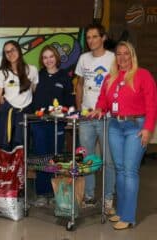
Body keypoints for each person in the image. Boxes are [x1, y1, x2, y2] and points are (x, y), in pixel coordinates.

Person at [90, 41, 157, 230]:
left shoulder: (143, 75)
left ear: (132, 55)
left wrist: (148, 128)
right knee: (119, 169)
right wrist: (99, 109)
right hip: (115, 126)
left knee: (130, 171)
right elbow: (103, 98)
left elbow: (152, 104)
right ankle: (120, 211)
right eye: (118, 54)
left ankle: (128, 217)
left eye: (126, 53)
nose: (122, 57)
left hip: (136, 127)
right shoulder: (111, 77)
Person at [75, 23, 115, 213]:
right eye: (88, 37)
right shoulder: (83, 58)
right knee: (87, 160)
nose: (91, 41)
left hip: (107, 118)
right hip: (86, 117)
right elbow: (80, 85)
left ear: (103, 38)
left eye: (94, 37)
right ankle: (89, 196)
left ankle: (108, 198)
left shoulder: (113, 59)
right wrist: (78, 110)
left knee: (108, 160)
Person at [31, 45, 74, 206]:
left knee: (56, 157)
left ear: (56, 57)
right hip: (39, 124)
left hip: (58, 124)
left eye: (51, 56)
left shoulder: (64, 76)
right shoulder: (38, 75)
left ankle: (57, 193)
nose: (48, 60)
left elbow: (69, 100)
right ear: (42, 60)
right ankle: (42, 194)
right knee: (42, 158)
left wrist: (69, 116)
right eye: (45, 57)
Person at [0, 40, 38, 150]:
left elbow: (34, 90)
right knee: (5, 148)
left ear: (19, 50)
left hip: (25, 115)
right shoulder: (2, 73)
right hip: (7, 114)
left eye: (13, 50)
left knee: (23, 148)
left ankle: (21, 168)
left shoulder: (32, 70)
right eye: (7, 52)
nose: (10, 54)